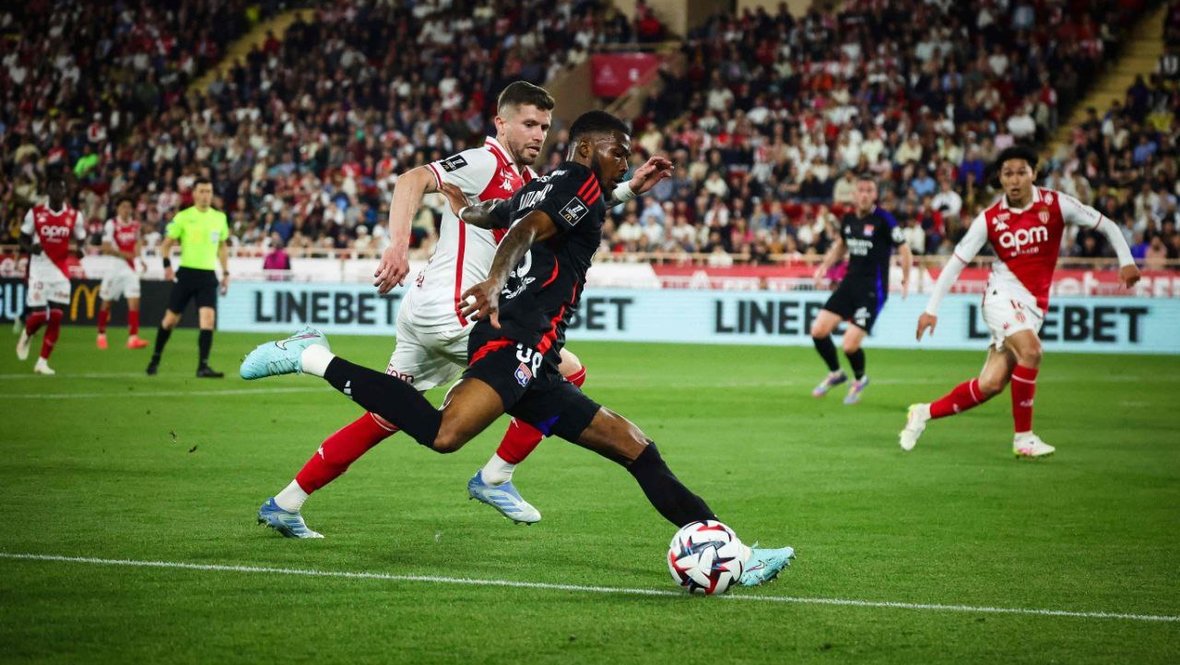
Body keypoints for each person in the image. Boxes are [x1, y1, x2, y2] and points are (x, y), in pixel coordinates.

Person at [241, 110, 794, 585]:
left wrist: (465, 209)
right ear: (587, 149)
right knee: (445, 434)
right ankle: (312, 356)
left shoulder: (548, 184)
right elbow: (525, 228)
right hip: (513, 342)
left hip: (538, 358)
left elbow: (497, 213)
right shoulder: (575, 184)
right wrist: (494, 279)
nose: (625, 161)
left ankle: (738, 554)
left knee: (634, 446)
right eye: (619, 152)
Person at [256, 82, 670, 537]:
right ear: (501, 124)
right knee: (563, 372)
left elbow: (571, 209)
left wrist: (628, 190)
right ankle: (495, 476)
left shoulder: (529, 181)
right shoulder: (485, 161)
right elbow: (411, 179)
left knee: (388, 412)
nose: (538, 135)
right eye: (528, 124)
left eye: (545, 126)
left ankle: (286, 502)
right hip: (460, 309)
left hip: (430, 309)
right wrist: (398, 246)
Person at [899, 145, 1141, 457]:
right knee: (1032, 351)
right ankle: (1023, 438)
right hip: (1000, 297)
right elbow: (956, 263)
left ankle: (923, 413)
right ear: (1000, 179)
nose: (1014, 180)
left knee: (991, 384)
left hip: (1033, 305)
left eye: (1021, 172)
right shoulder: (990, 219)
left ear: (1033, 173)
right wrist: (930, 309)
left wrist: (1126, 261)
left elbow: (1106, 224)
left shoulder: (1056, 203)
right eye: (1007, 174)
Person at [809, 177, 912, 404]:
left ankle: (859, 379)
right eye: (861, 190)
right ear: (854, 195)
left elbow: (904, 249)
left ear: (875, 195)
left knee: (849, 345)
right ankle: (836, 373)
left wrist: (906, 279)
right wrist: (824, 267)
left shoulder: (884, 219)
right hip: (849, 284)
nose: (864, 194)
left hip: (873, 290)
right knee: (818, 331)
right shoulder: (848, 219)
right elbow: (841, 245)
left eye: (869, 190)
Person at [146, 177, 230, 377]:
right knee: (170, 321)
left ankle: (203, 366)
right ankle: (155, 358)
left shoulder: (219, 218)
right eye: (202, 191)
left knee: (208, 320)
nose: (205, 195)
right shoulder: (183, 217)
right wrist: (167, 266)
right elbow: (166, 245)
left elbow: (222, 247)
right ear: (194, 194)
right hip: (186, 274)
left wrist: (226, 272)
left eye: (208, 191)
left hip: (208, 276)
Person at [16, 174, 86, 375]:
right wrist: (30, 248)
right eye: (54, 188)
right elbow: (22, 238)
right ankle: (27, 333)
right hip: (39, 270)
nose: (57, 192)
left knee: (56, 316)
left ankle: (42, 362)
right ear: (48, 191)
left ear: (65, 192)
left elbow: (81, 238)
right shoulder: (35, 213)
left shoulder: (74, 216)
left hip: (61, 271)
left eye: (60, 188)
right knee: (39, 315)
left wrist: (80, 249)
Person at [96, 196, 150, 350]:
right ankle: (101, 334)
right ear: (117, 208)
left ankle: (133, 338)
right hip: (114, 268)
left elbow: (137, 244)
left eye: (129, 207)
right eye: (123, 207)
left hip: (130, 269)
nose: (126, 210)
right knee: (106, 303)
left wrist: (140, 260)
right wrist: (125, 255)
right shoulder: (111, 224)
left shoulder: (136, 225)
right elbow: (105, 247)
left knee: (134, 302)